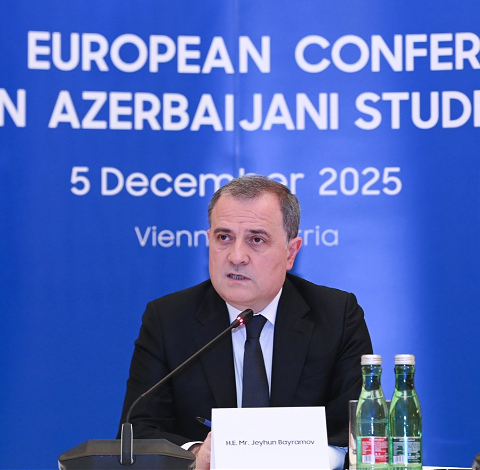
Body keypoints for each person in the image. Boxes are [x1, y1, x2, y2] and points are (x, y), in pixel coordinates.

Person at [119, 175, 373, 470]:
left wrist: (299, 458)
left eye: (256, 240)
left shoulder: (337, 316)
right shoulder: (168, 319)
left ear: (291, 252)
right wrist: (196, 453)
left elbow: (358, 429)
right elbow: (137, 432)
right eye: (224, 237)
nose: (237, 256)